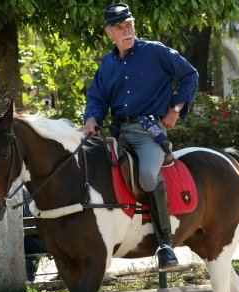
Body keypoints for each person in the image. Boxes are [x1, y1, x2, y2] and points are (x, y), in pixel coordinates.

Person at [83, 3, 199, 271]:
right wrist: (91, 119)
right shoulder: (107, 64)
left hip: (149, 133)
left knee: (148, 176)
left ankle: (165, 245)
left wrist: (175, 109)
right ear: (110, 32)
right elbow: (96, 98)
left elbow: (189, 75)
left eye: (130, 24)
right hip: (117, 135)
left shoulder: (155, 51)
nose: (127, 30)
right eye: (121, 27)